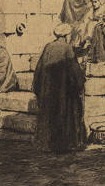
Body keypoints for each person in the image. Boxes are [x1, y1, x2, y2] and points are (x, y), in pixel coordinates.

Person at [32, 23, 87, 154]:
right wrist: (81, 80)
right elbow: (74, 72)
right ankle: (63, 145)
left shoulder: (48, 47)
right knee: (65, 115)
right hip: (63, 92)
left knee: (48, 117)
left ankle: (46, 144)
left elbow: (38, 70)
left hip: (48, 92)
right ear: (67, 35)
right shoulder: (67, 48)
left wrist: (39, 89)